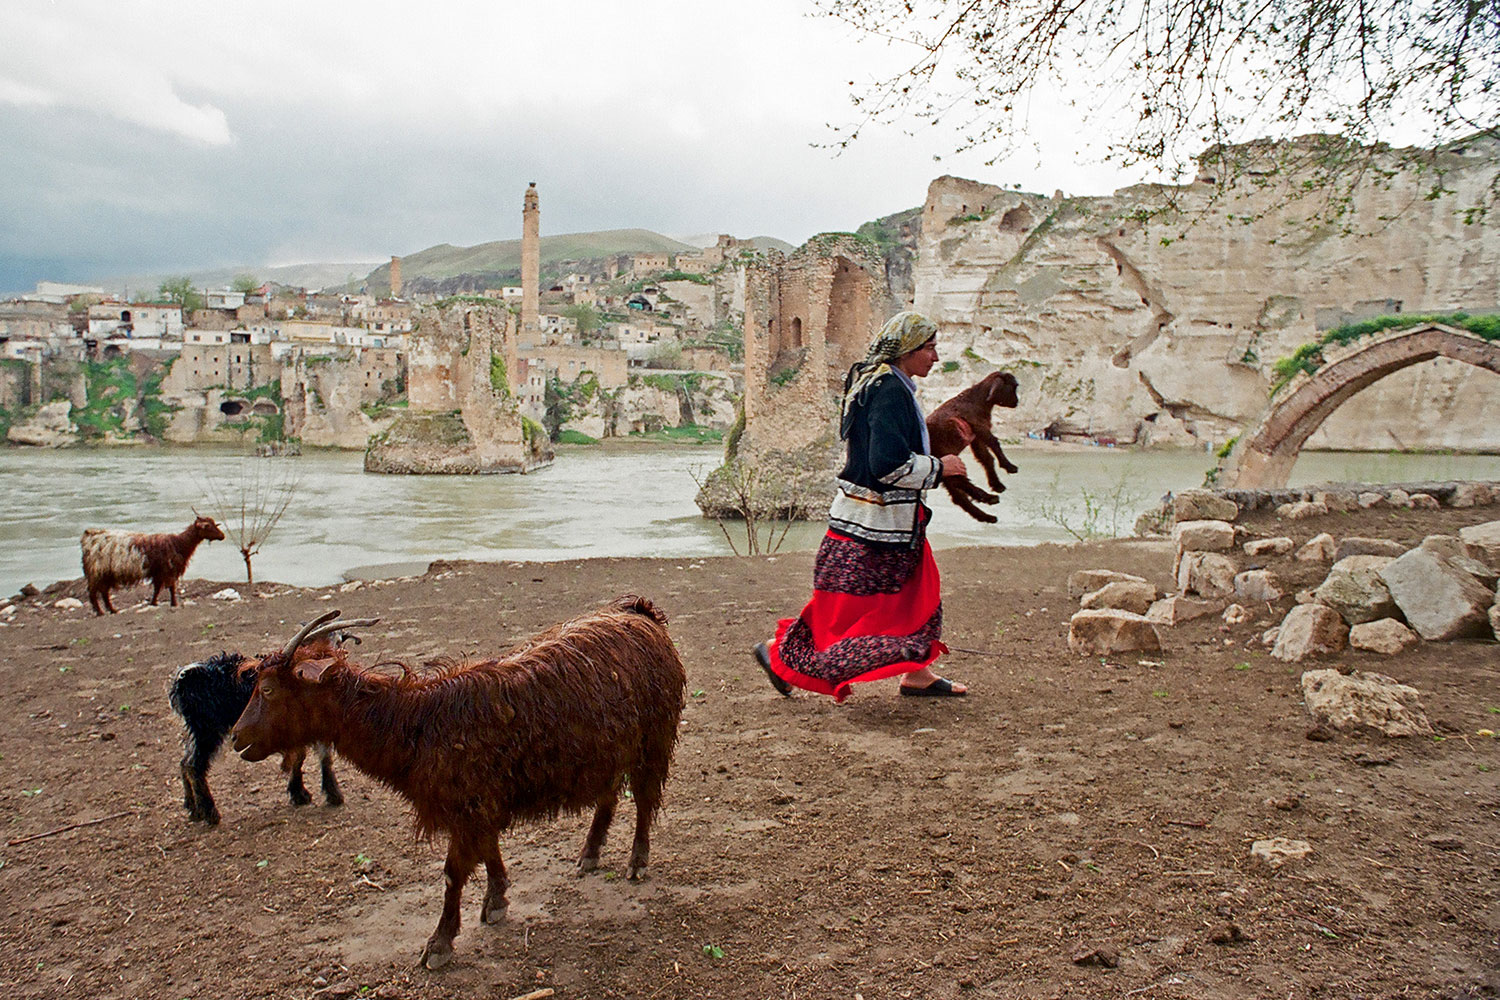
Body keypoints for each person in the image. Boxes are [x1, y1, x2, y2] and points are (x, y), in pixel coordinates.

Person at [754, 311, 969, 703]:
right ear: (907, 350)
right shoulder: (889, 390)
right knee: (849, 612)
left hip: (878, 525)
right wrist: (941, 468)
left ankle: (917, 674)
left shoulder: (880, 383)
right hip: (875, 530)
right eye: (930, 348)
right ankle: (778, 653)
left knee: (917, 598)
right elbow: (885, 465)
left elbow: (887, 454)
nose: (935, 358)